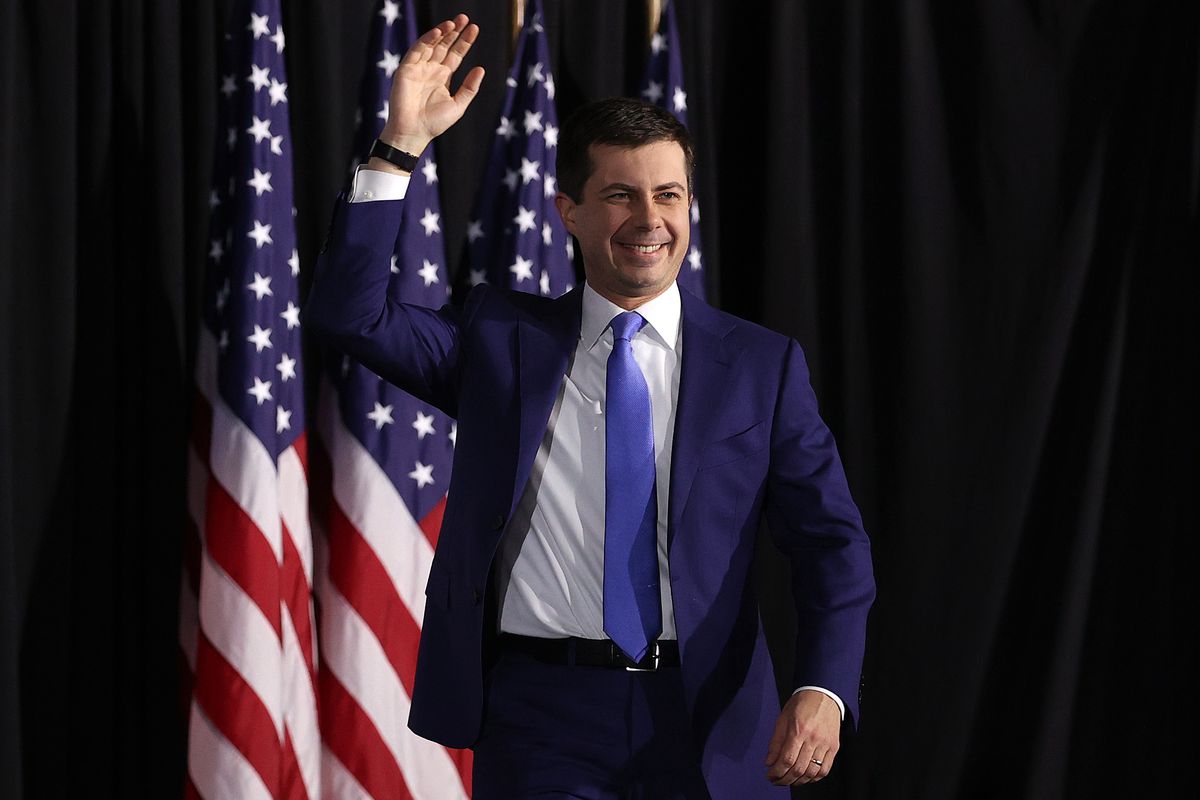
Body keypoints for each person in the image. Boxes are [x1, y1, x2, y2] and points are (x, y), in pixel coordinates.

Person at [305, 14, 875, 798]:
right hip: (543, 716)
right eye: (620, 196)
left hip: (712, 713)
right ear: (568, 211)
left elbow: (832, 545)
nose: (650, 220)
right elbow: (349, 313)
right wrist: (399, 145)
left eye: (668, 194)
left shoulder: (762, 366)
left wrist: (825, 688)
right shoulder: (500, 339)